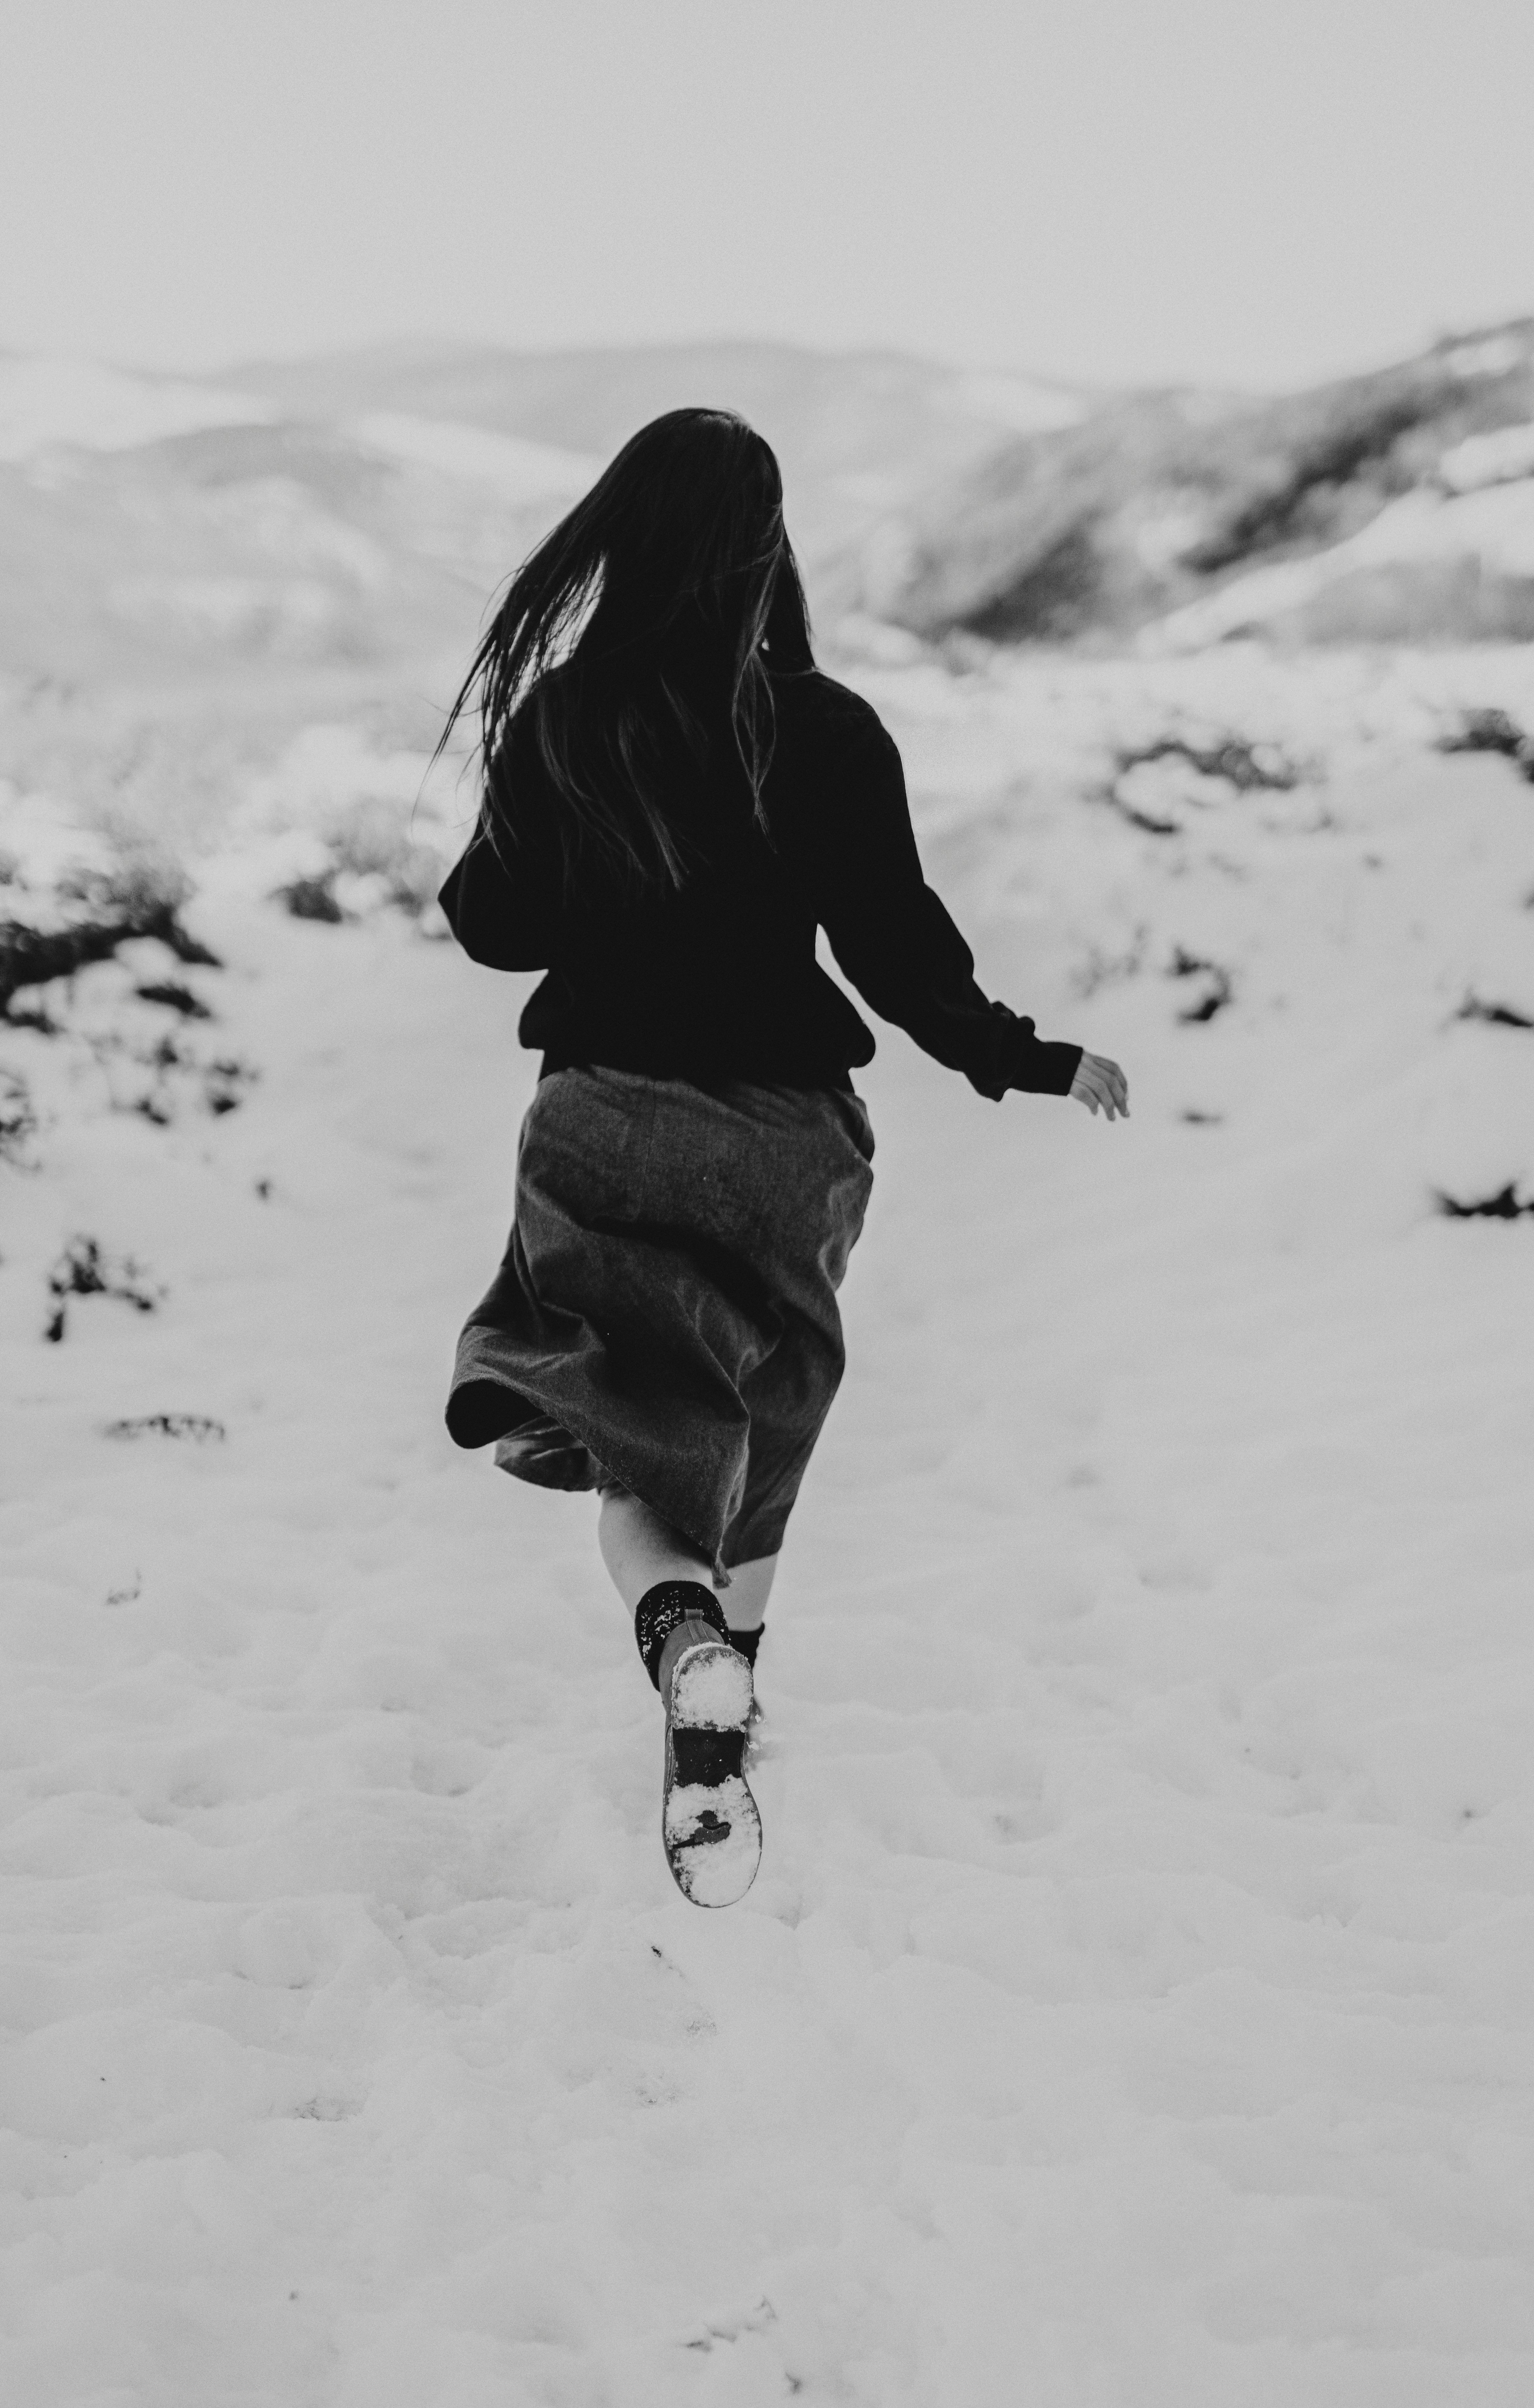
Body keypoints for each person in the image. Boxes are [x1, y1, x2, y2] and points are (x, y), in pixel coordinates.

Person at [437, 408, 1128, 1907]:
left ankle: (678, 1642)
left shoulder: (569, 722)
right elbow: (900, 955)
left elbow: (494, 924)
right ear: (767, 545)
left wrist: (552, 795)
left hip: (601, 1118)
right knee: (755, 1443)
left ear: (617, 540)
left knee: (632, 1434)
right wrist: (1028, 1057)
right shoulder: (822, 729)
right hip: (787, 1143)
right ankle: (717, 1740)